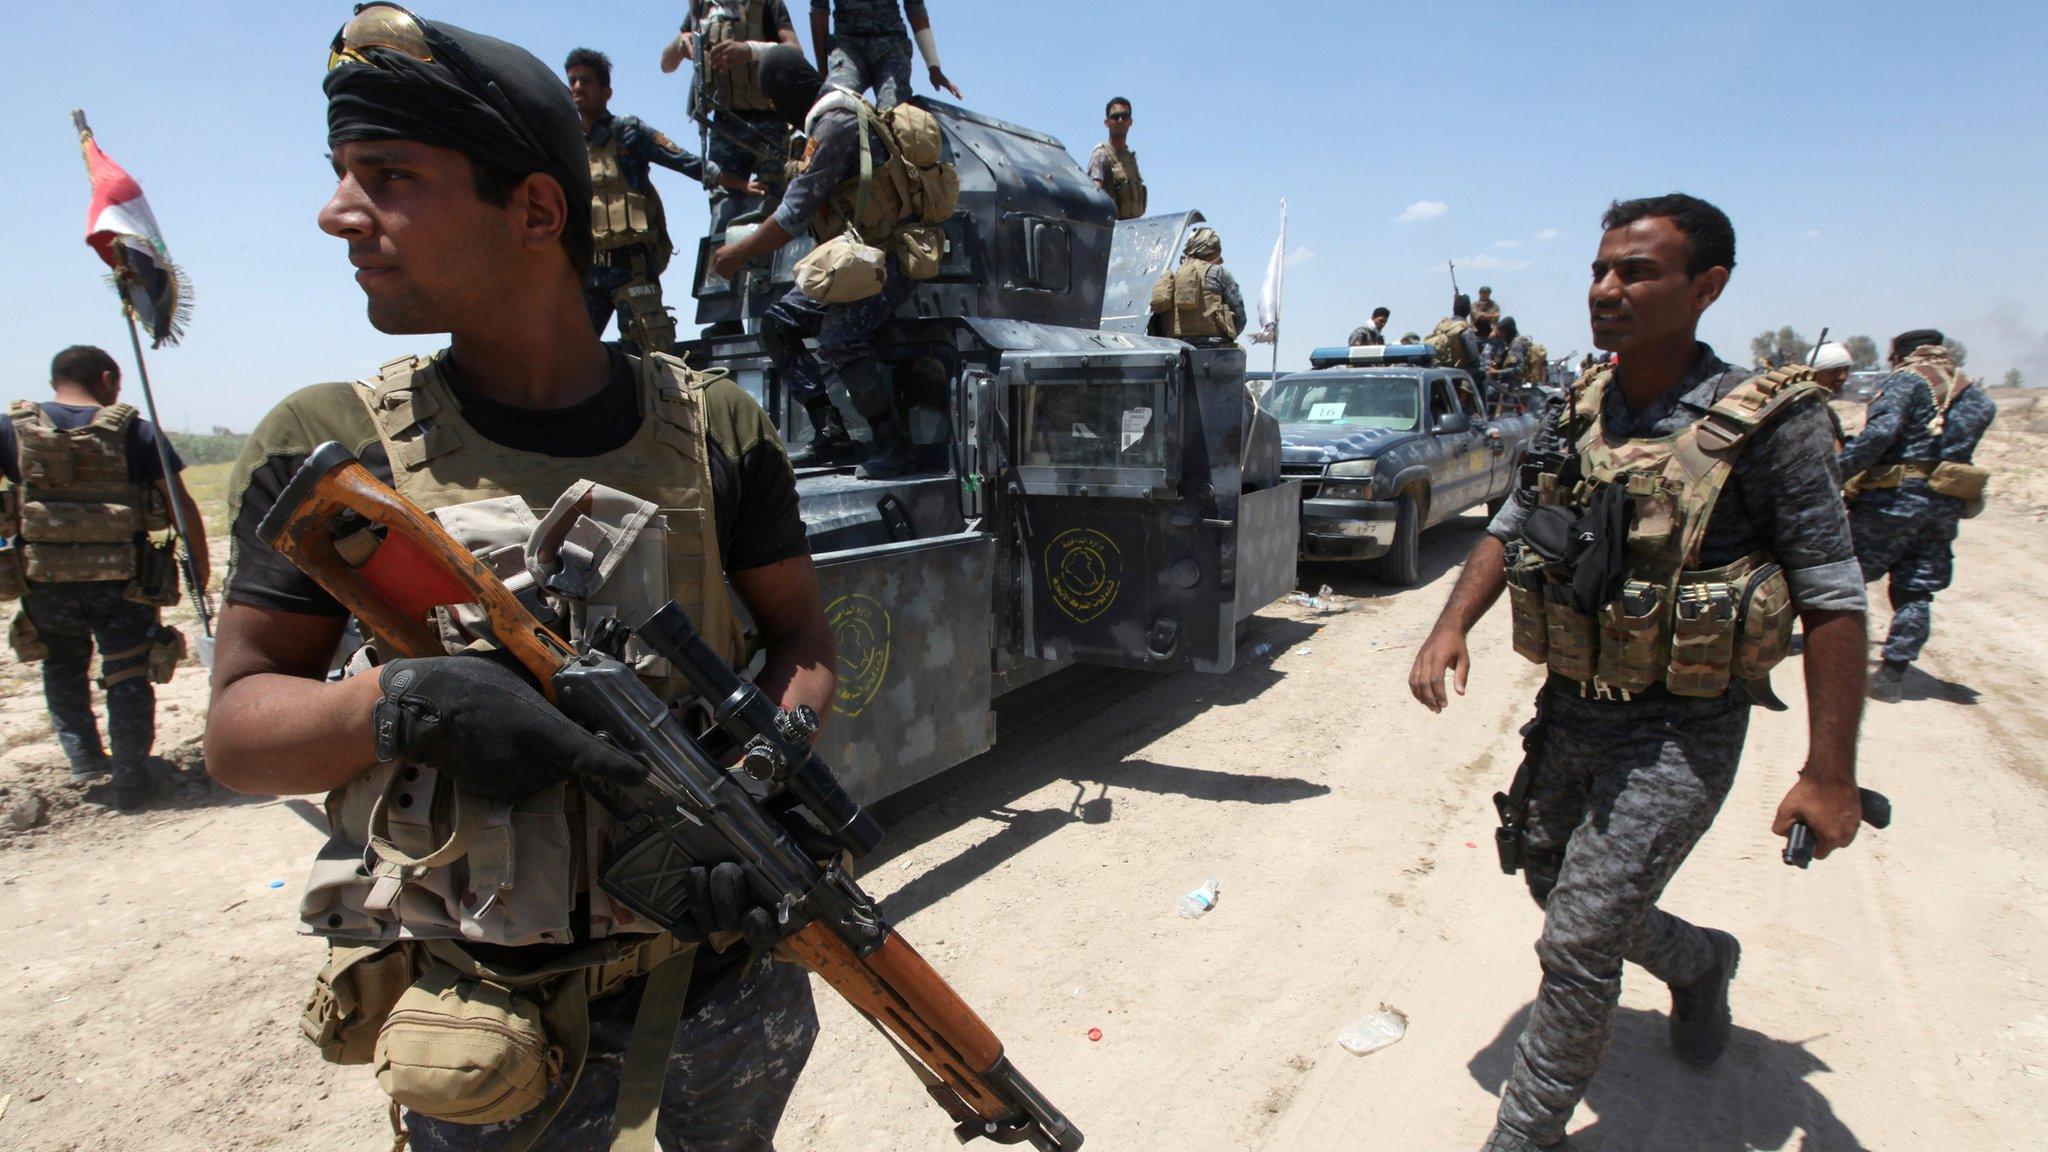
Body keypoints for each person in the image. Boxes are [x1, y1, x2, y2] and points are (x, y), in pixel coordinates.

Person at [206, 8, 833, 1147]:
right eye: (344, 174)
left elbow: (802, 642)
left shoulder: (717, 427)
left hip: (725, 1003)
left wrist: (766, 773)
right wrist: (391, 708)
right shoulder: (333, 446)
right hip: (495, 1049)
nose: (338, 213)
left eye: (388, 176)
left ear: (536, 209)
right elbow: (241, 734)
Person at [1407, 194, 1869, 1152]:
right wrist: (1449, 626)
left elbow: (1832, 595)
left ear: (1706, 288)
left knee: (1577, 939)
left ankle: (1522, 1138)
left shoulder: (1772, 424)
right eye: (1600, 269)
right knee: (1547, 877)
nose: (1607, 290)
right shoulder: (1579, 403)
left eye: (1637, 272)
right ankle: (1700, 963)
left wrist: (1829, 771)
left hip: (1683, 726)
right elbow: (1511, 523)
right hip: (1574, 707)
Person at [3, 345, 208, 811]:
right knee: (129, 670)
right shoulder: (135, 431)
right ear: (107, 378)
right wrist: (200, 565)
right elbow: (179, 503)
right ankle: (132, 775)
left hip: (44, 580)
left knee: (61, 663)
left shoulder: (12, 431)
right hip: (124, 582)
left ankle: (85, 761)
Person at [712, 48, 924, 478]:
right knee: (778, 325)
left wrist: (740, 252)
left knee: (839, 335)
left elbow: (792, 215)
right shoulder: (828, 122)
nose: (775, 109)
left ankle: (894, 444)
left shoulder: (838, 122)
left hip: (888, 259)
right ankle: (831, 433)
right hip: (854, 259)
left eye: (774, 98)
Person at [1837, 329, 1997, 702]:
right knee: (1916, 589)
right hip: (1943, 503)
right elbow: (1984, 415)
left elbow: (1880, 435)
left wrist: (1835, 474)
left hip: (1891, 501)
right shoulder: (1972, 392)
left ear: (1900, 356)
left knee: (1844, 578)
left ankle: (1836, 658)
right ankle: (1893, 674)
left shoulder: (1907, 382)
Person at [567, 47, 760, 353]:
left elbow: (683, 160)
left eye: (586, 81)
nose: (577, 87)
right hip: (589, 270)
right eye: (573, 81)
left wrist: (739, 184)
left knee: (650, 356)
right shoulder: (567, 142)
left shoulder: (628, 131)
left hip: (633, 269)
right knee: (570, 355)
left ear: (606, 91)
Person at [660, 1, 804, 232]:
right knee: (723, 216)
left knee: (777, 212)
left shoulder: (768, 4)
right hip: (725, 124)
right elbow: (666, 65)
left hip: (771, 125)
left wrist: (748, 50)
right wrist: (680, 44)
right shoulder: (702, 7)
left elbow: (794, 50)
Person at [809, 0, 960, 111]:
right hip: (848, 47)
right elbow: (819, 11)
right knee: (834, 103)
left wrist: (933, 67)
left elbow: (915, 8)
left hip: (890, 48)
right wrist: (823, 73)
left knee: (893, 113)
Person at [1147, 226, 1246, 347]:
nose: (1220, 259)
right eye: (1218, 253)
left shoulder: (1167, 278)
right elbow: (1240, 318)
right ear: (1210, 251)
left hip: (1173, 349)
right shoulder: (1219, 273)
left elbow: (1153, 324)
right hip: (1213, 349)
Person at [1088, 97, 1147, 221]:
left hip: (1133, 230)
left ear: (1130, 122)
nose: (1120, 120)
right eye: (1115, 117)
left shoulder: (1130, 159)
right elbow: (1093, 196)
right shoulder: (1101, 155)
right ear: (1107, 122)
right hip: (1111, 232)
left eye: (1124, 116)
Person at [1810, 340, 1852, 446]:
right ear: (1815, 374)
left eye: (1846, 370)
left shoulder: (1825, 408)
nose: (1843, 377)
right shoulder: (1808, 410)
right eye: (1835, 371)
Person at [1427, 293, 1478, 370]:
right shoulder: (1465, 329)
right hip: (1459, 373)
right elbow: (1473, 358)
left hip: (1438, 369)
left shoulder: (1441, 325)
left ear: (1453, 309)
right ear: (1468, 311)